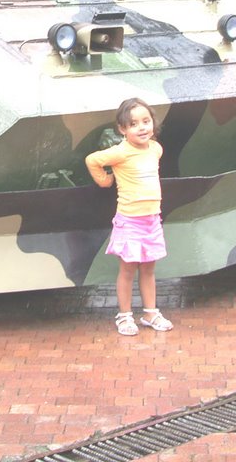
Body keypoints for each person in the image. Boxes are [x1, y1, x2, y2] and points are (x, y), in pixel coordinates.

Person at [85, 98, 174, 335]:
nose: (142, 127)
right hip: (130, 221)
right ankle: (124, 316)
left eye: (146, 121)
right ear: (122, 129)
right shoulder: (121, 152)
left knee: (148, 269)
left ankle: (150, 313)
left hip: (152, 220)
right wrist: (105, 180)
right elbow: (92, 160)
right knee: (127, 270)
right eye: (133, 124)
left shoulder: (155, 149)